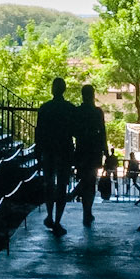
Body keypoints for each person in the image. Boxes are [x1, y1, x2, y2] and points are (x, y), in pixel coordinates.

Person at [34, 76, 77, 233]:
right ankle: (58, 219)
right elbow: (75, 131)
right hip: (65, 149)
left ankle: (50, 215)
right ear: (64, 89)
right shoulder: (70, 109)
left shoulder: (45, 108)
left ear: (52, 90)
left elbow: (39, 132)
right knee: (62, 186)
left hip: (48, 150)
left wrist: (38, 151)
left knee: (49, 184)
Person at [74, 83, 108, 226]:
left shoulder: (77, 112)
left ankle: (85, 210)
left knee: (83, 179)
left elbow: (74, 131)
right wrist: (105, 149)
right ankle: (88, 211)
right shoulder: (97, 112)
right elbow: (102, 131)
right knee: (91, 181)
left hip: (81, 149)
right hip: (94, 151)